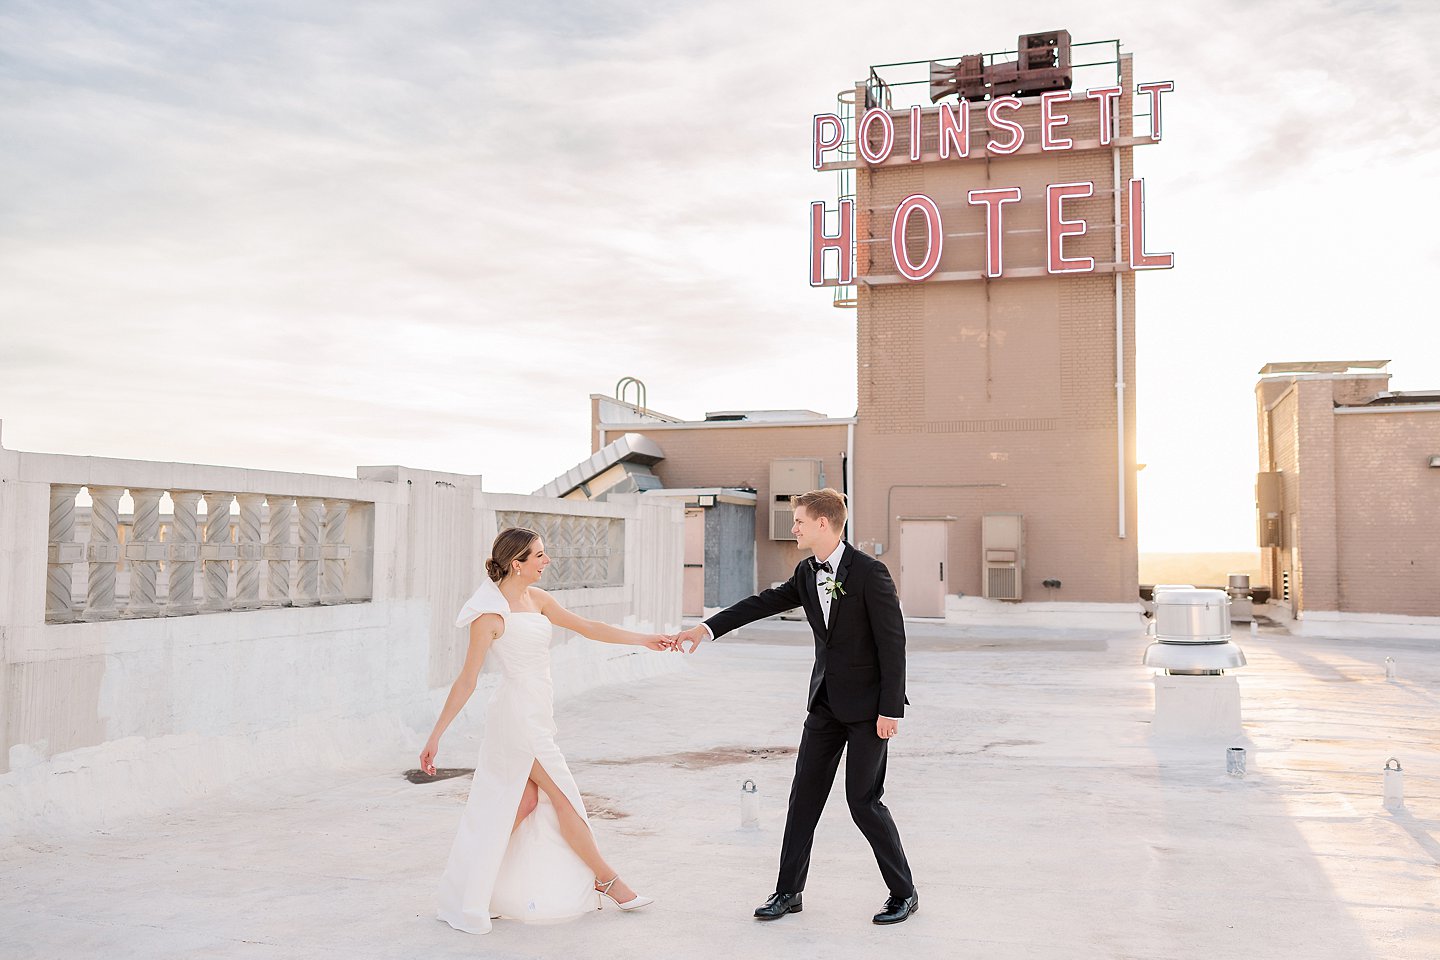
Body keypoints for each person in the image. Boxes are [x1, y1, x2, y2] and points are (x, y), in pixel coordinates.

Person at [673, 488, 917, 925]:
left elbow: (893, 644)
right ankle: (789, 891)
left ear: (823, 523)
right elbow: (760, 604)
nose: (794, 528)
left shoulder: (869, 573)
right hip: (824, 706)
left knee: (863, 801)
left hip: (867, 711)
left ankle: (904, 892)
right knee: (802, 799)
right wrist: (706, 629)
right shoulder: (807, 573)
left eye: (799, 520)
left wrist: (890, 710)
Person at [423, 527, 670, 935]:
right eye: (538, 555)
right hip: (516, 719)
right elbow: (466, 680)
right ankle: (610, 881)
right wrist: (436, 736)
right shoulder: (489, 615)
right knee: (566, 798)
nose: (547, 560)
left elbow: (587, 626)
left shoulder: (538, 599)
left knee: (521, 807)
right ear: (516, 564)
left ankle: (473, 889)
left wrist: (644, 640)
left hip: (539, 713)